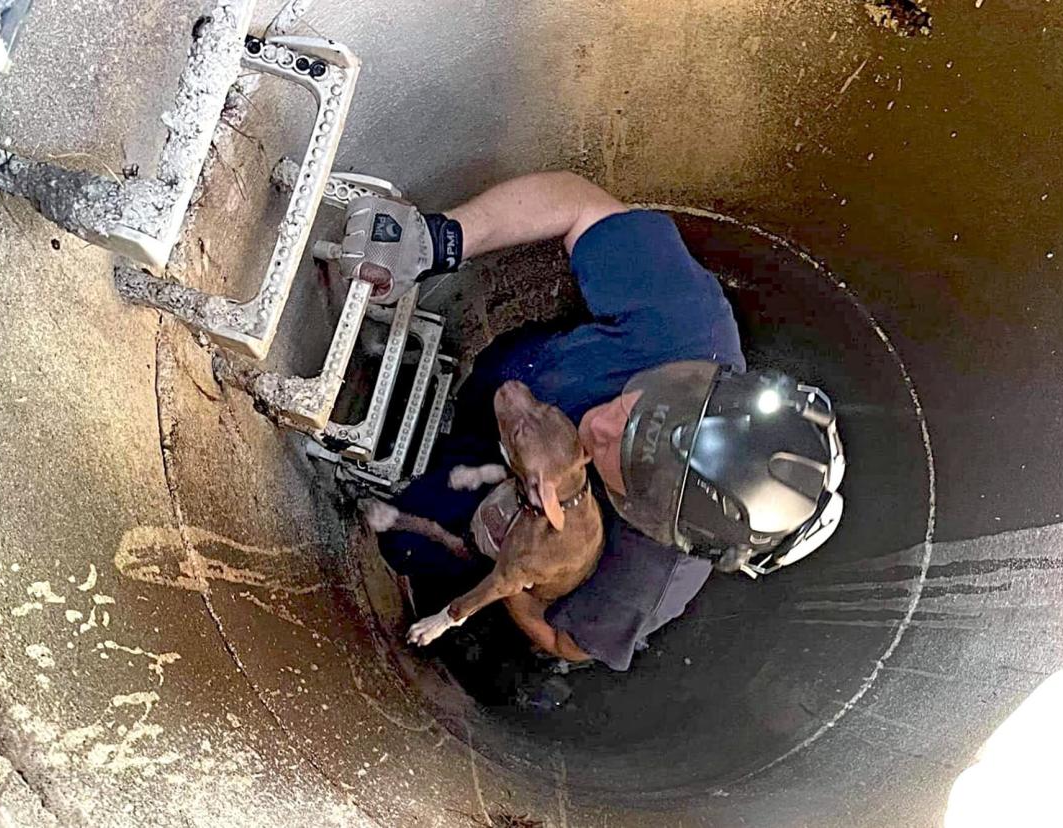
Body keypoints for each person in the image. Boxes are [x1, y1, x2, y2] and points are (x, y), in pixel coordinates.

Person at [340, 171, 845, 672]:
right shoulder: (688, 324)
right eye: (645, 404)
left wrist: (514, 579)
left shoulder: (647, 578)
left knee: (409, 534)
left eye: (625, 462)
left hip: (498, 527)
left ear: (657, 524)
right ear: (702, 380)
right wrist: (438, 241)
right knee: (484, 403)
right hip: (514, 397)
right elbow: (580, 204)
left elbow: (566, 643)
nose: (599, 427)